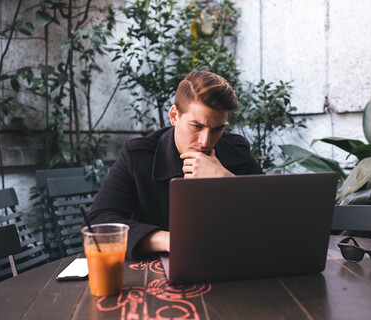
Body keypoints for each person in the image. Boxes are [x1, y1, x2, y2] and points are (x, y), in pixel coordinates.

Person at [88, 71, 263, 259]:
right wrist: (167, 240)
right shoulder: (138, 157)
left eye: (218, 128)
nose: (205, 141)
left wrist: (224, 180)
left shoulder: (237, 151)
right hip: (156, 271)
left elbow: (271, 216)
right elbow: (99, 221)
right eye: (197, 126)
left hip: (232, 263)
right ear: (174, 116)